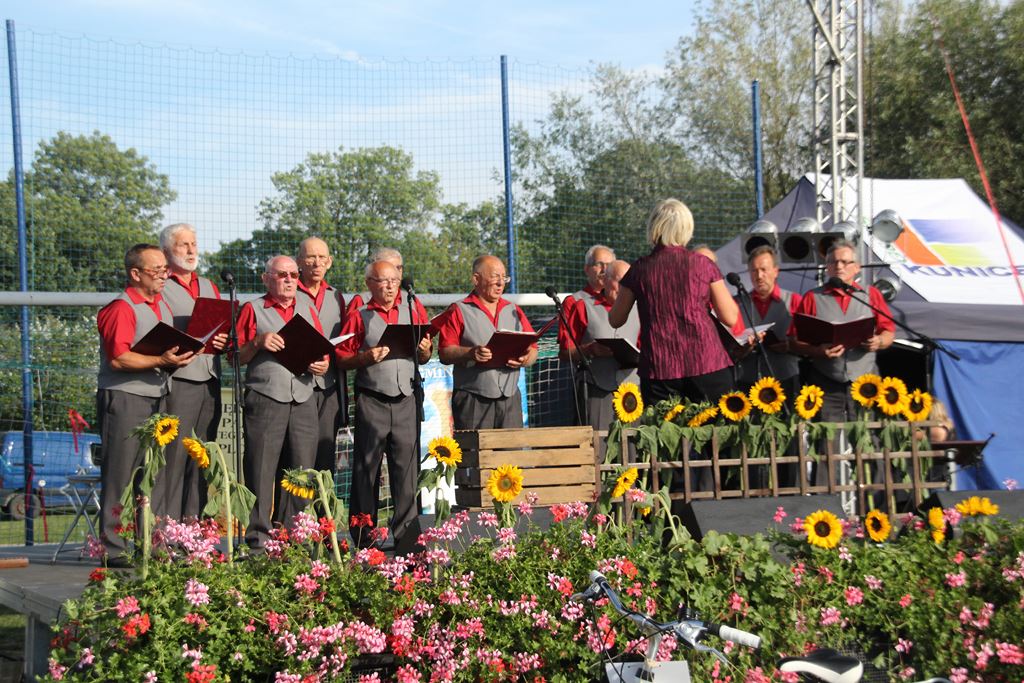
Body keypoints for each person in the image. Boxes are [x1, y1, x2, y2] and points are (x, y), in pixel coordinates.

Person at [96, 244, 197, 564]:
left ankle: (151, 543)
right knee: (121, 473)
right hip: (126, 399)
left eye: (165, 270)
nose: (164, 276)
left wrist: (176, 359)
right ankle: (113, 547)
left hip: (157, 396)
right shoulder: (121, 308)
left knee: (152, 473)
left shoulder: (160, 307)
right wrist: (160, 358)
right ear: (135, 273)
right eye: (156, 271)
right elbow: (119, 358)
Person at [336, 260, 432, 554]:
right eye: (382, 281)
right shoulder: (359, 315)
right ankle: (364, 538)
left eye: (394, 280)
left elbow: (425, 355)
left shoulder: (414, 309)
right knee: (367, 469)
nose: (390, 286)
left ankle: (407, 538)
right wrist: (365, 358)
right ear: (369, 284)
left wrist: (426, 352)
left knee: (406, 471)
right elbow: (341, 357)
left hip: (406, 399)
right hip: (372, 398)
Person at [235, 255, 329, 552]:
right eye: (281, 275)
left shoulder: (307, 306)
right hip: (266, 396)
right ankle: (259, 536)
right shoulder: (252, 309)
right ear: (266, 278)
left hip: (303, 395)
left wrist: (321, 364)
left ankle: (294, 533)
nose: (289, 280)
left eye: (293, 274)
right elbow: (234, 356)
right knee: (261, 467)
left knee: (302, 469)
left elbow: (320, 349)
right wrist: (258, 342)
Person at [608, 198, 739, 405]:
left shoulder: (640, 269)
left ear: (654, 228)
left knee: (665, 434)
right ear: (686, 228)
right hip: (707, 362)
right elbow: (730, 317)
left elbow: (615, 320)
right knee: (715, 434)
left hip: (660, 368)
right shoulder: (703, 264)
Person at [790, 239, 896, 485]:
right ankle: (825, 508)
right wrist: (818, 349)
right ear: (826, 267)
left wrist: (878, 341)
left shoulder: (870, 296)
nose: (839, 266)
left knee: (872, 442)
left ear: (857, 267)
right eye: (833, 262)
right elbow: (794, 341)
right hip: (827, 381)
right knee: (825, 444)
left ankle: (877, 505)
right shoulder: (812, 298)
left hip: (866, 381)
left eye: (845, 262)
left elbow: (889, 332)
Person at [157, 223, 227, 521]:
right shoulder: (160, 285)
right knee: (173, 458)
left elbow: (217, 326)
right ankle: (167, 528)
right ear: (165, 251)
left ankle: (194, 526)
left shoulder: (209, 286)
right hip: (179, 379)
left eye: (194, 244)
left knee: (202, 455)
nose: (190, 250)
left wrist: (222, 339)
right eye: (183, 245)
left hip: (210, 377)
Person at [436, 255, 538, 430]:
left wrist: (526, 359)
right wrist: (470, 353)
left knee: (511, 454)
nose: (500, 283)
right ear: (476, 279)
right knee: (475, 455)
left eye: (504, 278)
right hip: (473, 399)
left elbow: (533, 349)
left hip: (510, 398)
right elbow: (445, 352)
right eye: (494, 277)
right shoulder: (458, 310)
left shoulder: (514, 310)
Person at [730, 245, 802, 487]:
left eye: (763, 269)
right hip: (748, 381)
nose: (758, 275)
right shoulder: (736, 303)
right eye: (753, 271)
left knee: (786, 439)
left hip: (784, 379)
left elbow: (808, 341)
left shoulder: (794, 301)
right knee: (750, 441)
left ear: (775, 271)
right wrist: (744, 347)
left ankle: (789, 494)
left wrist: (791, 345)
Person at [558, 248, 640, 432]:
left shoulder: (638, 306)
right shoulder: (577, 303)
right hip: (596, 387)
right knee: (598, 449)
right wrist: (590, 350)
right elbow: (564, 353)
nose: (604, 269)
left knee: (634, 449)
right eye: (599, 264)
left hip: (632, 389)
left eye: (608, 265)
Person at [295, 237, 347, 473]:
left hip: (329, 387)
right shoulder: (289, 292)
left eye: (322, 257)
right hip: (296, 385)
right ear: (299, 262)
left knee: (325, 454)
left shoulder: (337, 297)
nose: (317, 263)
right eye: (310, 257)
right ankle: (296, 510)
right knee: (297, 455)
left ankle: (322, 509)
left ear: (330, 262)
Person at [345, 246, 406, 317]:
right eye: (390, 267)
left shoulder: (412, 302)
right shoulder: (361, 301)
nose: (395, 273)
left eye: (398, 268)